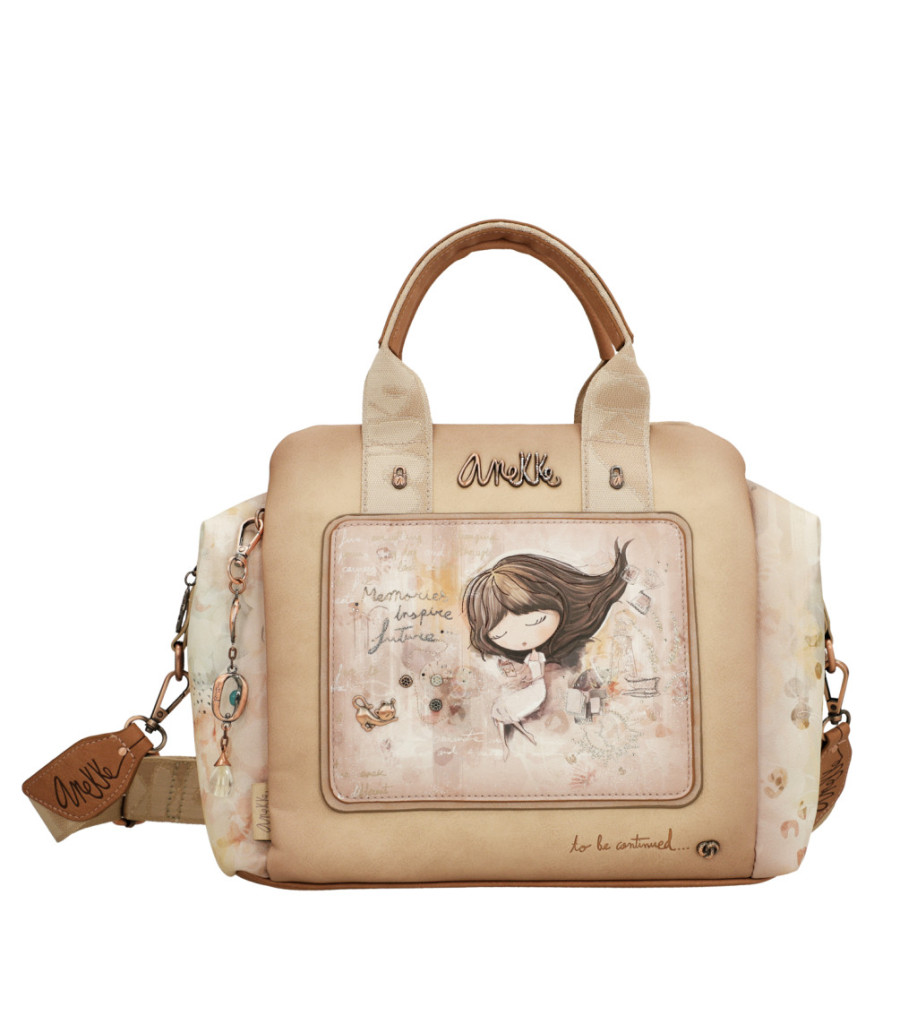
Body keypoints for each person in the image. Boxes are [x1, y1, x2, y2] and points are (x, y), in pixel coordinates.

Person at [463, 544, 630, 759]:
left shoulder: (577, 659)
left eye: (537, 620)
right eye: (500, 634)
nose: (522, 638)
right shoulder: (518, 661)